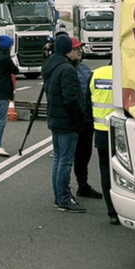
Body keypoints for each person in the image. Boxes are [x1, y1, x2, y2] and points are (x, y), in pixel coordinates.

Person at [41, 35, 86, 213]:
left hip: (55, 118)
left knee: (59, 159)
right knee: (65, 161)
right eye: (74, 48)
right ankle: (63, 198)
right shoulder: (67, 69)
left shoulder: (50, 66)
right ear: (68, 49)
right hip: (67, 121)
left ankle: (59, 196)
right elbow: (71, 98)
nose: (78, 51)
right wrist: (79, 119)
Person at [71, 38, 102, 199]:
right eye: (76, 49)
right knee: (69, 156)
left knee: (85, 154)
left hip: (87, 120)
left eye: (80, 49)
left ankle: (82, 184)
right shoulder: (63, 69)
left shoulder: (84, 69)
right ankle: (64, 190)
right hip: (73, 121)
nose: (79, 51)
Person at [90, 63, 119, 225]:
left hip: (100, 129)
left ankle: (112, 211)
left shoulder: (97, 73)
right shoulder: (126, 73)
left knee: (105, 170)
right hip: (121, 132)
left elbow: (91, 96)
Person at [0, 35, 19, 156]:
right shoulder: (5, 59)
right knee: (2, 119)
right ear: (8, 47)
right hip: (2, 91)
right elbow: (15, 70)